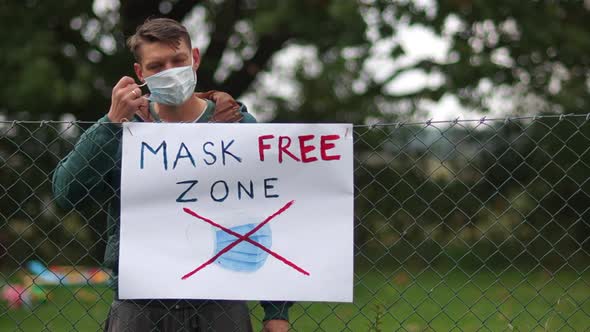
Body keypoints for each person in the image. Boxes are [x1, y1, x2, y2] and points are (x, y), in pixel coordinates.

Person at [52, 17, 291, 332]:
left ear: (194, 58)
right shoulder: (121, 128)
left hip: (221, 300)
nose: (169, 71)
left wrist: (276, 312)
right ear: (140, 73)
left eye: (177, 60)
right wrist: (110, 124)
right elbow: (66, 195)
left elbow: (271, 213)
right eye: (156, 65)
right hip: (139, 303)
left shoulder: (237, 126)